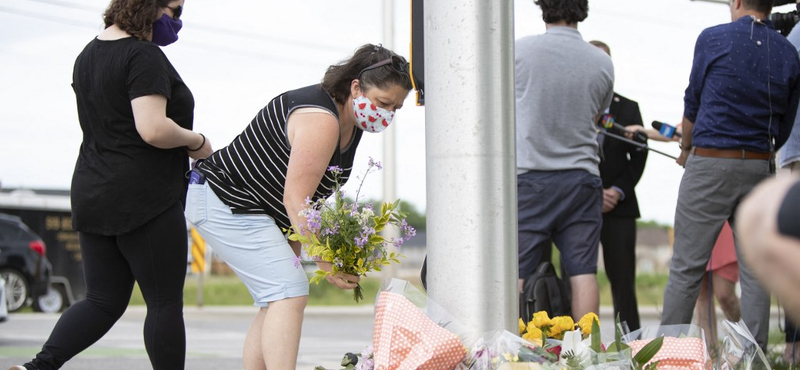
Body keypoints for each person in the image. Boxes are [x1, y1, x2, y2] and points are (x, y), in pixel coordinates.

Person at [10, 1, 211, 369]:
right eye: (175, 10)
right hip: (144, 197)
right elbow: (151, 128)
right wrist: (197, 142)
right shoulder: (143, 55)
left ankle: (36, 368)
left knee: (102, 301)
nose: (178, 21)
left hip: (93, 191)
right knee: (164, 303)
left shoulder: (88, 55)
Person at [185, 44, 412, 370]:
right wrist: (325, 260)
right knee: (289, 292)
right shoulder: (322, 119)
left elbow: (298, 201)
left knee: (275, 301)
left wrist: (299, 248)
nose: (386, 114)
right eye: (383, 103)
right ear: (356, 87)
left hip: (261, 212)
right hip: (225, 200)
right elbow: (296, 198)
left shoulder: (352, 125)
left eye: (396, 108)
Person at [661, 0, 800, 352]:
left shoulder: (713, 38)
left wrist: (686, 147)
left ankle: (666, 354)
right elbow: (784, 126)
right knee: (755, 271)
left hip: (710, 162)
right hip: (760, 164)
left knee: (687, 267)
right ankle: (753, 358)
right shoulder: (787, 50)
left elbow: (693, 103)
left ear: (737, 2)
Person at [515, 0, 614, 321]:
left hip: (531, 178)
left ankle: (508, 350)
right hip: (582, 179)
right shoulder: (601, 62)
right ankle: (586, 352)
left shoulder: (519, 52)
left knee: (517, 271)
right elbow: (599, 115)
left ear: (543, 7)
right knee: (583, 271)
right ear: (581, 10)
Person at [587, 40, 647, 331]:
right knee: (577, 277)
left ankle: (633, 345)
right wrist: (593, 193)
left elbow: (638, 156)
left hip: (619, 207)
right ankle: (573, 346)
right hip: (581, 206)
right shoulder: (574, 107)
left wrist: (616, 191)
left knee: (623, 282)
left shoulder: (628, 109)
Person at [693, 222, 741, 347]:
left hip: (724, 222)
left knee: (725, 296)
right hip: (697, 220)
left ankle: (743, 342)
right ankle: (710, 353)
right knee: (701, 295)